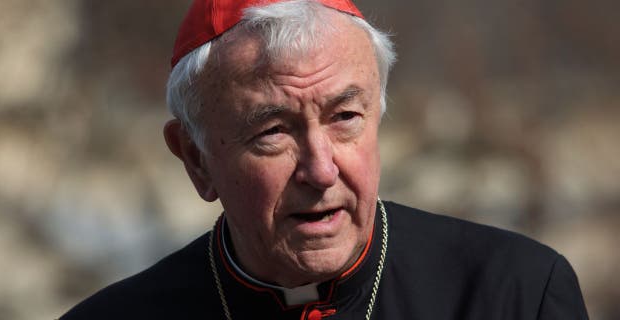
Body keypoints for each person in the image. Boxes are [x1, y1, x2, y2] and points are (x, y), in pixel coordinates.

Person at [61, 0, 589, 319]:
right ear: (196, 160)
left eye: (344, 119)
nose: (320, 169)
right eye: (272, 131)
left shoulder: (512, 295)